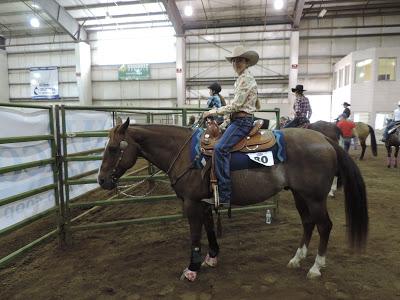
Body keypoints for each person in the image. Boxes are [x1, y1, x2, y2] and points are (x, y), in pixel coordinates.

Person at [202, 45, 260, 207]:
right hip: (238, 120)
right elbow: (236, 108)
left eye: (240, 60)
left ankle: (225, 195)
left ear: (247, 62)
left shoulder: (246, 79)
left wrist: (212, 111)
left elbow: (236, 105)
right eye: (234, 61)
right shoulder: (241, 78)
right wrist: (226, 123)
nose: (236, 63)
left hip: (242, 122)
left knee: (220, 149)